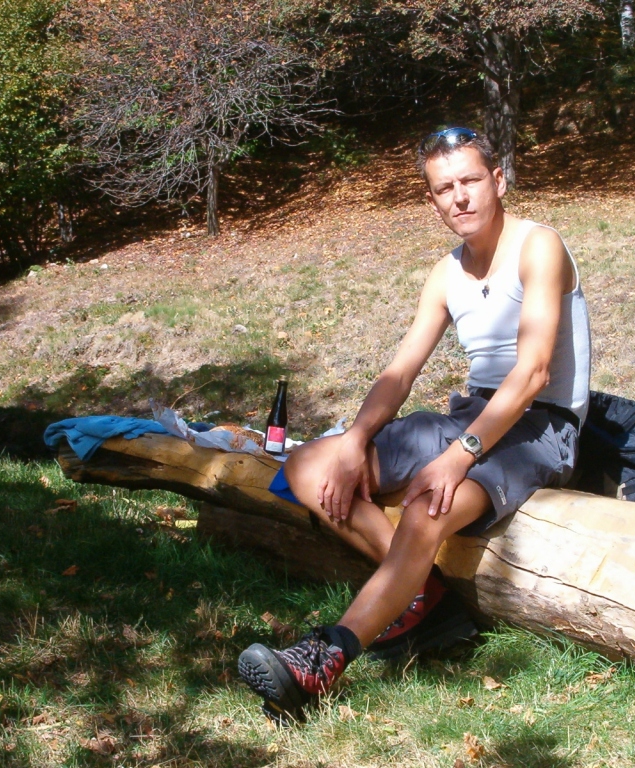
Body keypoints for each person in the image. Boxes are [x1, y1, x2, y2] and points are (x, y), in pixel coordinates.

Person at [237, 126, 591, 722]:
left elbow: (533, 372)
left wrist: (459, 456)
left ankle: (325, 658)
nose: (461, 197)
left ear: (498, 180)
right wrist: (354, 441)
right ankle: (422, 595)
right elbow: (401, 371)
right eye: (445, 188)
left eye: (471, 181)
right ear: (432, 201)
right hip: (472, 414)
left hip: (541, 427)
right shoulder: (446, 273)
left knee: (428, 504)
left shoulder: (539, 247)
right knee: (310, 465)